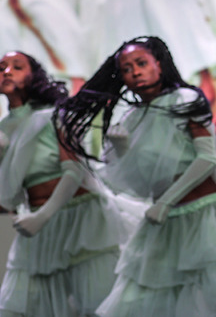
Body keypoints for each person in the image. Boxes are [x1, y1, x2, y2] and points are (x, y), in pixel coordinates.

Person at [56, 36, 216, 316]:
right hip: (164, 222)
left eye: (141, 63)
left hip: (206, 218)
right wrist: (123, 150)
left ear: (159, 63)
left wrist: (166, 201)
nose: (135, 72)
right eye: (127, 69)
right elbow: (137, 182)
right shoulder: (132, 118)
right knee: (142, 296)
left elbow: (206, 158)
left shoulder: (186, 99)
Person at [0, 51, 125, 316]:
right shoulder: (4, 129)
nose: (7, 71)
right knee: (19, 307)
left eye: (17, 66)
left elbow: (74, 169)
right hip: (38, 227)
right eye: (2, 68)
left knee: (97, 303)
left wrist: (43, 216)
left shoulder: (54, 115)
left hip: (82, 218)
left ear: (34, 75)